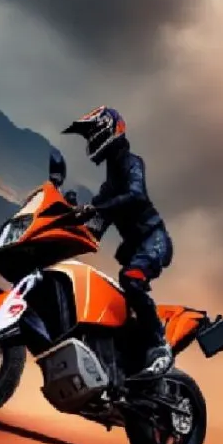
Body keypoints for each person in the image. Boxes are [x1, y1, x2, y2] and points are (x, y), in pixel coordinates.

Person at [62, 106, 174, 378]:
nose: (91, 141)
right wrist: (70, 220)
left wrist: (96, 209)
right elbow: (96, 224)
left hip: (153, 240)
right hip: (136, 246)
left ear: (109, 130)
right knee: (117, 295)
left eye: (93, 134)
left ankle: (160, 346)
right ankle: (125, 353)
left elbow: (135, 195)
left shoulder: (133, 163)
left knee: (132, 280)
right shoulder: (111, 182)